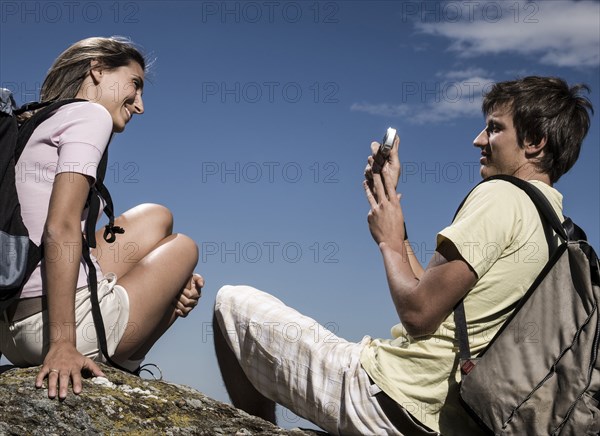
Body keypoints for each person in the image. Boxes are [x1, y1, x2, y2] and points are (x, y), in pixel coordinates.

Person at [212, 76, 593, 435]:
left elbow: (419, 314)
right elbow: (437, 300)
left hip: (394, 399)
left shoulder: (502, 194)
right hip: (448, 420)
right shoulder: (558, 230)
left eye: (494, 128)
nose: (479, 139)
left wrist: (388, 242)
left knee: (231, 304)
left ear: (535, 142)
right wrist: (392, 211)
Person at [0, 37, 203, 400]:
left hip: (11, 330)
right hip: (52, 331)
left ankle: (137, 318)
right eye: (134, 85)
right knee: (184, 248)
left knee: (156, 217)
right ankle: (122, 360)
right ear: (97, 69)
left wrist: (166, 288)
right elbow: (60, 225)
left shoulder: (35, 120)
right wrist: (62, 345)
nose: (140, 105)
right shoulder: (89, 115)